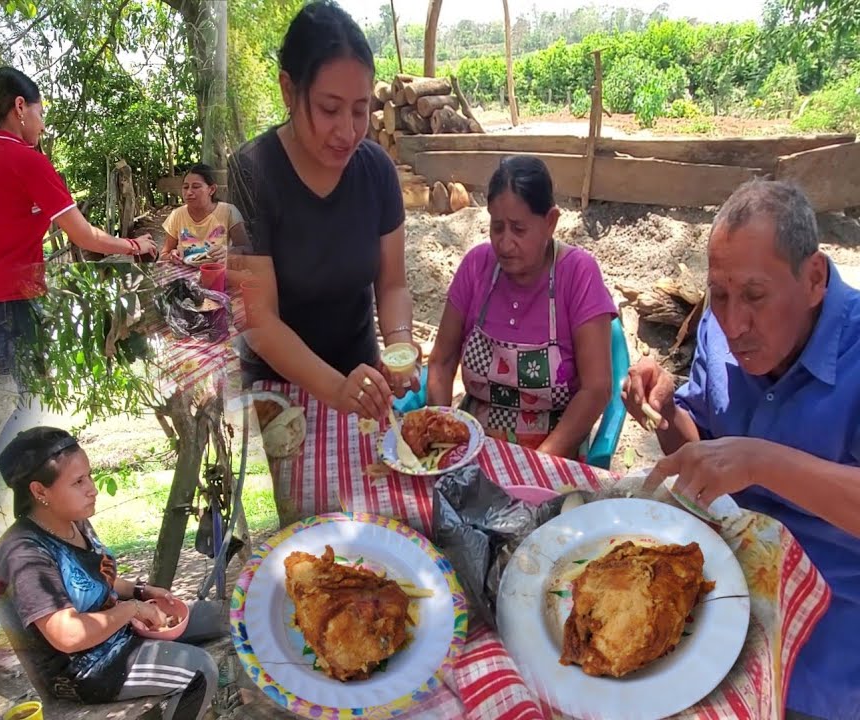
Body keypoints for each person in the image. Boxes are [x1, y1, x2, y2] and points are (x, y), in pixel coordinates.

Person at [624, 180, 860, 719]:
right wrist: (667, 411)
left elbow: (744, 460)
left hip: (825, 657)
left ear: (815, 278)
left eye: (755, 296)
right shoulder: (715, 324)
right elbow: (705, 457)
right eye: (721, 295)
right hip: (716, 603)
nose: (733, 324)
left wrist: (761, 460)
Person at [227, 0, 417, 422]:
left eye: (360, 109)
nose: (347, 131)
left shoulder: (377, 171)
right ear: (288, 91)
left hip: (362, 378)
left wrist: (400, 344)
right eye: (330, 109)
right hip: (278, 393)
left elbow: (392, 286)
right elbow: (258, 319)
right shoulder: (252, 172)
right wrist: (335, 388)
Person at [0, 427, 226, 719]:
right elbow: (67, 634)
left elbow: (96, 579)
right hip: (88, 669)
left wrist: (142, 592)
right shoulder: (25, 553)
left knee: (224, 618)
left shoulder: (73, 520)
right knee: (200, 671)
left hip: (118, 634)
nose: (92, 488)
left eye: (88, 476)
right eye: (78, 482)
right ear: (40, 491)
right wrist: (132, 610)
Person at [0, 67, 158, 375]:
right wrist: (134, 244)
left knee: (27, 390)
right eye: (41, 113)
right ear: (20, 107)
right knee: (36, 395)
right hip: (18, 304)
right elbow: (85, 236)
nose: (44, 126)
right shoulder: (27, 161)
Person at [422, 156, 615, 459]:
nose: (505, 243)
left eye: (518, 229)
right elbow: (442, 361)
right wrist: (442, 427)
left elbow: (597, 388)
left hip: (553, 446)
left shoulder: (578, 273)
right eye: (497, 227)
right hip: (472, 443)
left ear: (550, 221)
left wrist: (539, 461)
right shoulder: (476, 266)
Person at [160, 164, 246, 265]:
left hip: (217, 273)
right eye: (185, 187)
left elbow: (247, 249)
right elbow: (164, 254)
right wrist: (171, 256)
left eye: (196, 187)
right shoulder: (176, 215)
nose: (189, 192)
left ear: (212, 189)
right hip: (184, 276)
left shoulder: (229, 211)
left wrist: (230, 251)